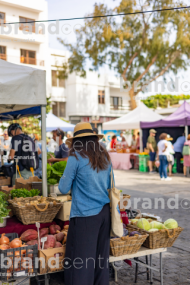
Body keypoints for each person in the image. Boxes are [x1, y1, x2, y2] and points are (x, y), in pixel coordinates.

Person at [58, 122, 112, 285]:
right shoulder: (105, 156)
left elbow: (62, 188)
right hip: (104, 213)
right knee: (101, 261)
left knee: (81, 263)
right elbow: (110, 185)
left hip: (85, 216)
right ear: (94, 140)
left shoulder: (75, 157)